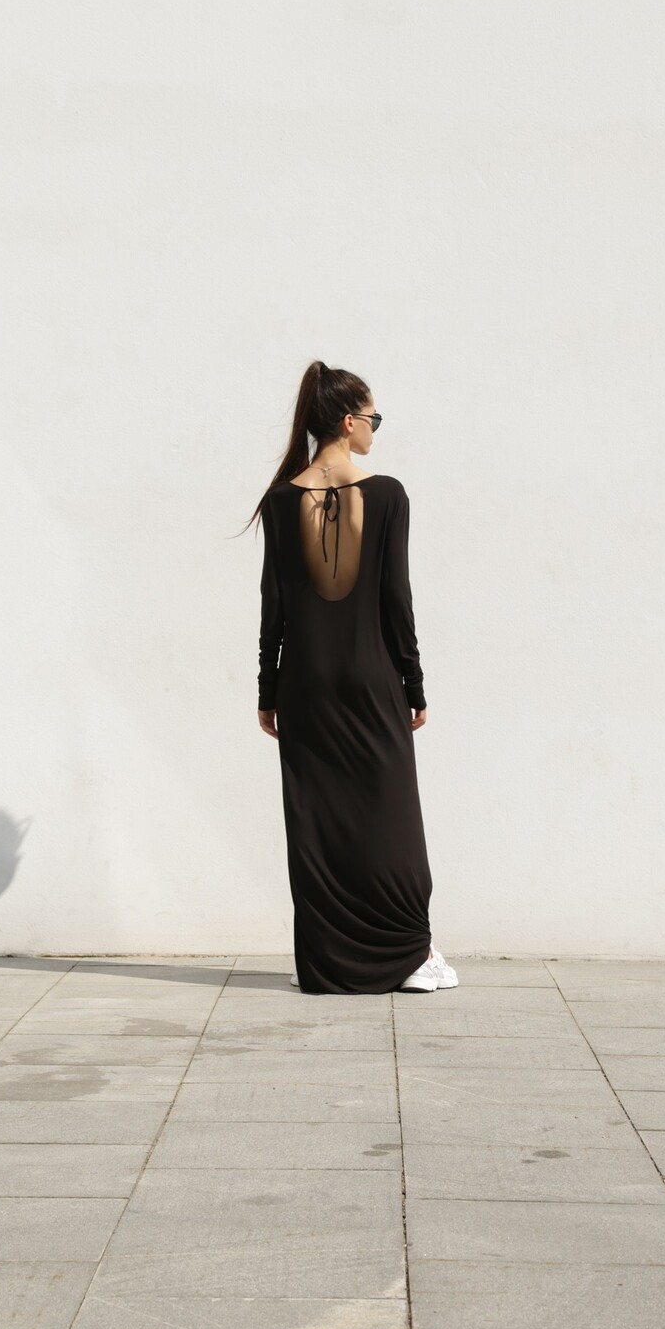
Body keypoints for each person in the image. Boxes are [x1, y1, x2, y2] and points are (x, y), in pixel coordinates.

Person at [245, 360, 457, 995]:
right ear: (347, 420)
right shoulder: (388, 494)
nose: (375, 430)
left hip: (304, 686)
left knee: (318, 824)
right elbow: (397, 600)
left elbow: (272, 606)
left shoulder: (282, 501)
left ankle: (328, 961)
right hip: (370, 682)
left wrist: (267, 691)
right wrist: (414, 685)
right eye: (373, 418)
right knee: (392, 818)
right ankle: (409, 954)